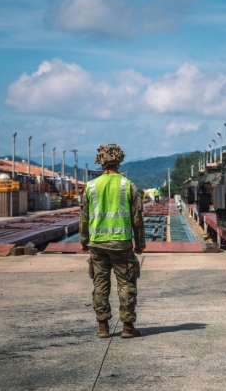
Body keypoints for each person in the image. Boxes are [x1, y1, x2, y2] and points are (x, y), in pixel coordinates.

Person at [80, 144, 146, 338]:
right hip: (121, 243)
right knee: (126, 284)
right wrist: (140, 243)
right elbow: (137, 218)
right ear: (119, 160)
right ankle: (127, 327)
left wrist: (84, 240)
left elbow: (83, 217)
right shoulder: (128, 185)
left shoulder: (90, 187)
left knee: (100, 284)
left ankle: (103, 327)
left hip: (97, 245)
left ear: (100, 161)